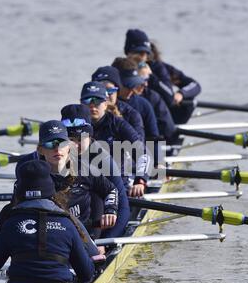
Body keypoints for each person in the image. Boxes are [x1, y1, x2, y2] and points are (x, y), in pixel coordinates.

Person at [0, 160, 96, 283]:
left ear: (19, 190)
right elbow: (86, 274)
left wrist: (2, 221)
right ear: (50, 189)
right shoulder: (67, 222)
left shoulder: (11, 222)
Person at [15, 120, 119, 244]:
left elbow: (111, 189)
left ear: (69, 147)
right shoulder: (30, 176)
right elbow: (13, 212)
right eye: (50, 144)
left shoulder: (85, 170)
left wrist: (110, 211)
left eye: (61, 143)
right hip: (45, 240)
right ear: (40, 150)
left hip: (81, 238)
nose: (57, 149)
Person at [61, 104, 130, 239]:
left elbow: (124, 207)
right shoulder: (54, 154)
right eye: (70, 139)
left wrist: (107, 241)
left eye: (80, 139)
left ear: (90, 136)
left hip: (96, 218)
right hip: (65, 217)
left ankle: (93, 240)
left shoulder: (103, 160)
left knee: (94, 191)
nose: (75, 145)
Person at [80, 81, 151, 197]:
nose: (92, 106)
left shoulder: (118, 125)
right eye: (87, 101)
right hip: (85, 186)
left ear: (106, 103)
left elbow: (143, 153)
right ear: (81, 104)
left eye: (97, 100)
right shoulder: (75, 126)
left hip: (117, 186)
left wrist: (140, 180)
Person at [124, 28, 201, 125]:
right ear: (128, 53)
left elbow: (171, 98)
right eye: (137, 53)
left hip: (161, 120)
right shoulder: (121, 68)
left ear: (148, 54)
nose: (141, 58)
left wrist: (181, 94)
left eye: (144, 53)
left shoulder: (159, 68)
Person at [91, 65, 145, 142]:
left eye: (109, 90)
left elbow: (140, 147)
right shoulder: (84, 113)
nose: (105, 95)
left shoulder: (131, 115)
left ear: (117, 91)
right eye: (100, 91)